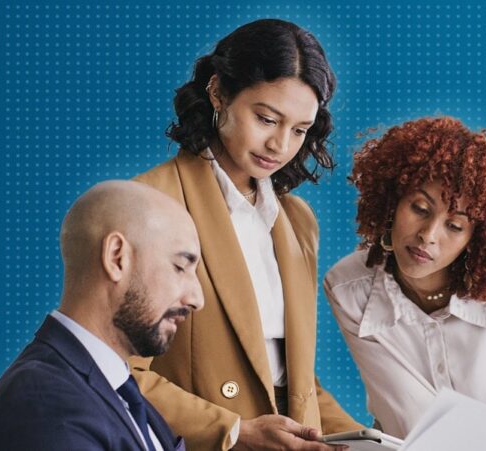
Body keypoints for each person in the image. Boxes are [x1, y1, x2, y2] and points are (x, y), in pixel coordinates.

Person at [130, 18, 361, 450]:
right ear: (218, 92)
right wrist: (233, 431)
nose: (280, 145)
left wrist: (368, 440)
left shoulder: (297, 220)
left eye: (299, 130)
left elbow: (292, 378)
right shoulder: (150, 201)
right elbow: (118, 370)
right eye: (266, 118)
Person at [324, 116, 486, 450]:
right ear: (393, 200)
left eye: (455, 226)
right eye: (419, 208)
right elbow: (409, 411)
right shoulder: (348, 288)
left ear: (477, 239)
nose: (427, 236)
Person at [0, 180, 202, 451]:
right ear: (117, 258)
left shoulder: (116, 393)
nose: (197, 299)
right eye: (180, 267)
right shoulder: (45, 406)